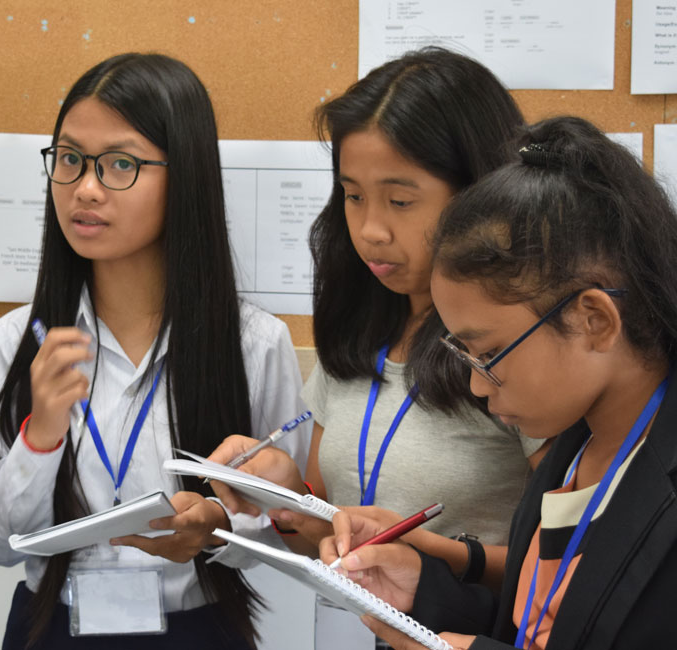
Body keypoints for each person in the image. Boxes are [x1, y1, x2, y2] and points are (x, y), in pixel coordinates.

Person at [322, 116, 677, 650]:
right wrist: (426, 592)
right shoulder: (573, 450)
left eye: (488, 353)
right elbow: (546, 624)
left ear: (594, 320)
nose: (479, 387)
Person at [0, 53, 310, 650]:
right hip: (51, 629)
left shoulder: (254, 344)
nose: (86, 188)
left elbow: (286, 532)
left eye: (120, 163)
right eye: (69, 160)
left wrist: (218, 526)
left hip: (198, 631)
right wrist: (40, 435)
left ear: (187, 176)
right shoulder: (21, 340)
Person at [210, 48, 544, 584]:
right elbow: (326, 534)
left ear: (479, 194)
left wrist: (431, 553)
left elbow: (570, 567)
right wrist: (287, 495)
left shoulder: (514, 346)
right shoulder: (361, 329)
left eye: (400, 201)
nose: (370, 230)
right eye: (353, 196)